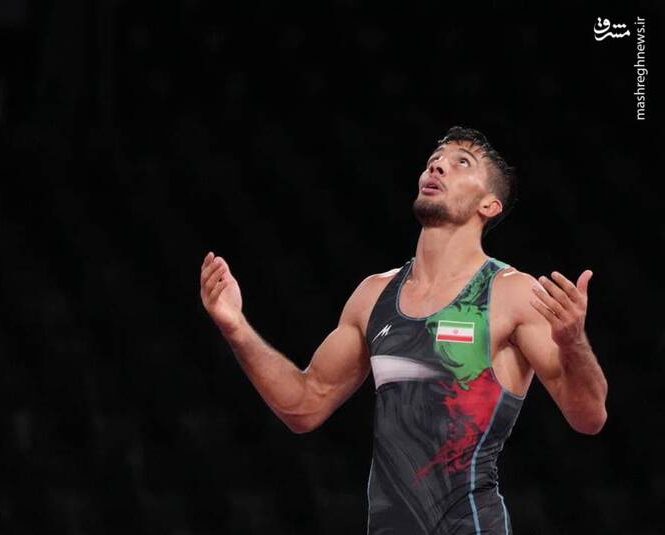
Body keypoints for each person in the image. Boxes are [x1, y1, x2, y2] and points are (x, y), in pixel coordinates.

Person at [199, 126, 608, 534]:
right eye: (435, 160)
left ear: (489, 205)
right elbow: (305, 405)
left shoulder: (512, 293)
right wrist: (236, 327)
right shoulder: (374, 295)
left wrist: (574, 342)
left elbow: (589, 417)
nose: (438, 167)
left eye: (461, 163)